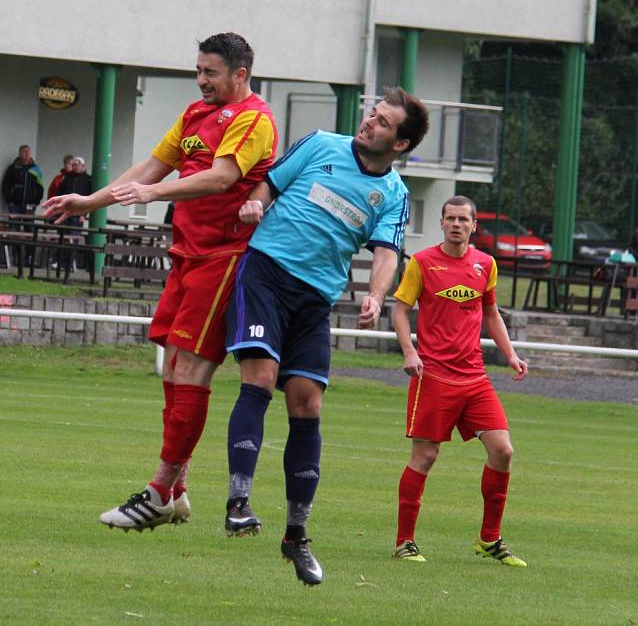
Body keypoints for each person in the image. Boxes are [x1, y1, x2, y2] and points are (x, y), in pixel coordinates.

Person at [43, 32, 277, 530]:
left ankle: (156, 491)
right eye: (198, 70)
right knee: (172, 368)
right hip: (186, 255)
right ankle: (178, 492)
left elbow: (219, 177)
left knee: (192, 370)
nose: (201, 80)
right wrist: (90, 203)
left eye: (210, 72)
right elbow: (150, 166)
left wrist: (153, 193)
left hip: (225, 258)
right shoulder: (194, 116)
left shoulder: (255, 118)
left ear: (240, 74)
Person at [223, 87, 429, 586]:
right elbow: (269, 186)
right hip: (266, 273)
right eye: (371, 115)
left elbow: (386, 253)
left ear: (399, 144)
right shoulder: (319, 144)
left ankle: (297, 535)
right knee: (261, 376)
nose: (369, 123)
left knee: (307, 405)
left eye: (382, 122)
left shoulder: (395, 194)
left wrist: (377, 296)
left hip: (314, 299)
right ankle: (238, 501)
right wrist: (255, 206)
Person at [391, 195, 528, 568]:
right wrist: (409, 351)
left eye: (462, 219)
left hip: (475, 377)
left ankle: (489, 539)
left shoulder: (486, 264)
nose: (456, 224)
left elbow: (491, 313)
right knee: (426, 456)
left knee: (503, 451)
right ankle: (405, 542)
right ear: (442, 222)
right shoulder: (422, 263)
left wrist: (511, 354)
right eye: (449, 218)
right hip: (433, 375)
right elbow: (400, 311)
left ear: (473, 225)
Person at [1, 145, 44, 217]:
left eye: (29, 152)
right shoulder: (13, 168)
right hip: (15, 205)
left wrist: (36, 201)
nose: (27, 154)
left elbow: (40, 187)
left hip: (30, 204)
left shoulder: (36, 169)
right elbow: (6, 185)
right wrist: (9, 201)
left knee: (29, 226)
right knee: (13, 226)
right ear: (20, 153)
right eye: (25, 152)